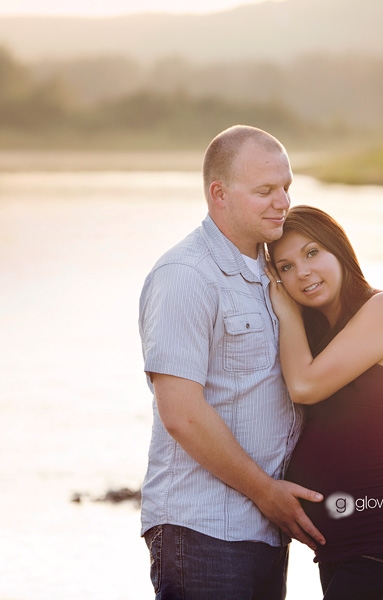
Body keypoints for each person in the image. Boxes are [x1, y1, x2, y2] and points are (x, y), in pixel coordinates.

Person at [138, 125, 326, 600]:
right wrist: (267, 492)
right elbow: (180, 413)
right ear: (218, 194)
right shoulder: (185, 275)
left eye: (286, 187)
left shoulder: (274, 272)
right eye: (265, 191)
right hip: (202, 530)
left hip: (262, 530)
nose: (282, 201)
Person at [265, 205, 383, 600]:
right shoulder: (319, 335)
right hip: (349, 546)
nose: (303, 273)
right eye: (285, 267)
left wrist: (284, 308)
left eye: (312, 253)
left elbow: (304, 386)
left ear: (339, 250)